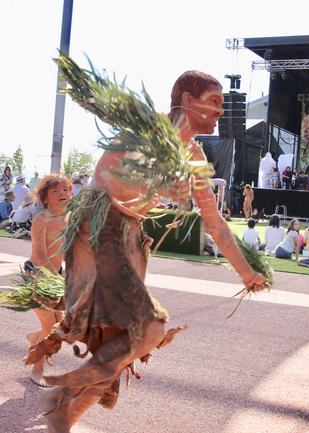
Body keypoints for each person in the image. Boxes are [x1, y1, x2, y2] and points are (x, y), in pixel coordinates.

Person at [25, 69, 268, 432]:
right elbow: (107, 175)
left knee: (123, 347)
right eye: (214, 102)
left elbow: (214, 222)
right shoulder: (145, 130)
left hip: (130, 236)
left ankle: (64, 416)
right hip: (100, 223)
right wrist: (165, 177)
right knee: (150, 329)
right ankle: (65, 391)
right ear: (187, 99)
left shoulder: (195, 154)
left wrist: (247, 273)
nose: (220, 112)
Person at [23, 174, 73, 386]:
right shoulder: (41, 220)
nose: (62, 193)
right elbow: (41, 255)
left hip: (56, 276)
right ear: (45, 198)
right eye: (56, 191)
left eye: (65, 189)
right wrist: (57, 280)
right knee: (51, 328)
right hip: (37, 276)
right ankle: (37, 369)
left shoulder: (71, 217)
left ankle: (34, 338)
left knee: (60, 327)